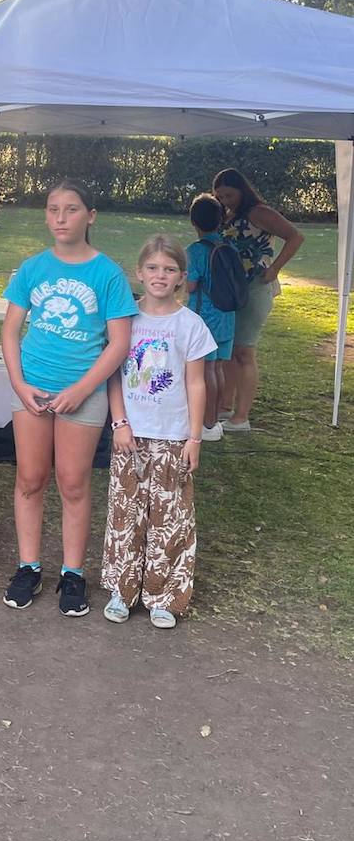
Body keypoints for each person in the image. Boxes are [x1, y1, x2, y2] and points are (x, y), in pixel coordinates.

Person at [0, 179, 136, 617]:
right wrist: (20, 385)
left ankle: (73, 573)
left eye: (71, 209)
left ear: (90, 216)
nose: (61, 218)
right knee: (30, 479)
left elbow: (118, 344)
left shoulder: (107, 274)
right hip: (33, 389)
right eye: (53, 209)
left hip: (84, 392)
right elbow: (10, 331)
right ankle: (29, 566)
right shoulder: (33, 268)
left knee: (73, 483)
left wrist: (81, 389)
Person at [102, 236, 216, 628]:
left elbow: (197, 383)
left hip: (173, 436)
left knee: (170, 516)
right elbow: (114, 376)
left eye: (169, 269)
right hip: (130, 436)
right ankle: (122, 588)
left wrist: (194, 437)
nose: (160, 276)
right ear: (139, 272)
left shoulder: (190, 325)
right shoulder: (125, 320)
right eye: (152, 268)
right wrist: (119, 422)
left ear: (182, 277)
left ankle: (164, 595)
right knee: (126, 513)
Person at [212, 168, 304, 431]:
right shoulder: (228, 215)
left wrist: (275, 268)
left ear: (242, 189)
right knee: (229, 350)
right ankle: (224, 406)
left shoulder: (259, 212)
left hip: (255, 288)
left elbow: (296, 236)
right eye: (220, 196)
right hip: (232, 289)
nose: (225, 200)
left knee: (244, 351)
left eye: (229, 194)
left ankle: (241, 417)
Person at [186, 193, 237, 441]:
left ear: (194, 222)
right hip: (228, 315)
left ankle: (206, 423)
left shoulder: (195, 250)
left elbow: (191, 285)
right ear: (220, 220)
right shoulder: (229, 247)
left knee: (206, 369)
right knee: (218, 368)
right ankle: (214, 419)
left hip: (204, 317)